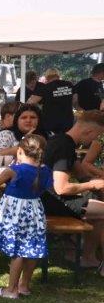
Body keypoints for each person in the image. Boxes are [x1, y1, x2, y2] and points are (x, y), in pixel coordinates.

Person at [0, 135, 52, 298]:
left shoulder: (14, 170)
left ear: (19, 151)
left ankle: (11, 289)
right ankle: (24, 286)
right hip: (35, 210)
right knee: (31, 247)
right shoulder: (45, 171)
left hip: (15, 213)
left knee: (17, 251)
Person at [41, 110, 104, 268]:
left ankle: (72, 250)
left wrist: (92, 182)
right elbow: (62, 188)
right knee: (101, 211)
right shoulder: (64, 147)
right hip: (50, 201)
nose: (94, 140)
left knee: (97, 200)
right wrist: (92, 185)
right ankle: (88, 257)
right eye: (96, 136)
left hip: (45, 196)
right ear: (88, 131)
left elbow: (80, 172)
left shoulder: (62, 140)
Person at [28, 68, 75, 135]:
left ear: (47, 77)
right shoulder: (69, 85)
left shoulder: (45, 88)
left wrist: (38, 108)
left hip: (51, 122)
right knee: (65, 139)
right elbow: (75, 100)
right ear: (58, 75)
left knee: (52, 140)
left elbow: (30, 102)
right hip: (68, 120)